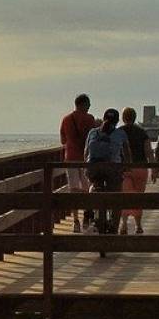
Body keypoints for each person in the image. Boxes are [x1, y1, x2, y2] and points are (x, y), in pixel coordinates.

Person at [83, 108, 129, 236]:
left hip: (94, 169)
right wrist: (127, 166)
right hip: (113, 170)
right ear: (117, 121)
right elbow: (127, 153)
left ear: (103, 119)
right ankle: (114, 228)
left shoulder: (92, 132)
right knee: (116, 198)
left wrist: (86, 166)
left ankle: (89, 207)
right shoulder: (120, 133)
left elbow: (86, 152)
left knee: (94, 184)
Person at [59, 93, 98, 232]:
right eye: (88, 104)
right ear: (83, 104)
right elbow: (94, 139)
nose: (89, 107)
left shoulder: (66, 119)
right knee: (88, 188)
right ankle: (87, 216)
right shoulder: (90, 119)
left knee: (73, 189)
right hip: (86, 159)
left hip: (70, 159)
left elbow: (63, 141)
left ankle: (75, 221)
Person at [118, 105, 150, 234]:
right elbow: (148, 151)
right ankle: (138, 225)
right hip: (141, 168)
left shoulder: (119, 132)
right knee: (138, 197)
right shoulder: (142, 132)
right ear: (135, 117)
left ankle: (124, 225)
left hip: (125, 168)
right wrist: (154, 167)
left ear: (123, 118)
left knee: (125, 197)